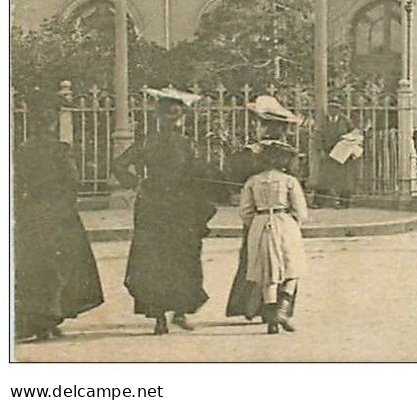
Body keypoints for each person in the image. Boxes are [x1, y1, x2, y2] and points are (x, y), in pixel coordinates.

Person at [111, 87, 215, 334]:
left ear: (158, 116)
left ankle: (159, 317)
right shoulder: (188, 144)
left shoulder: (147, 141)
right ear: (182, 117)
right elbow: (201, 175)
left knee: (153, 259)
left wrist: (135, 183)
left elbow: (119, 164)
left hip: (152, 204)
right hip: (181, 205)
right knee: (183, 257)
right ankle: (180, 311)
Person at [14, 89, 103, 342]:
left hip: (30, 211)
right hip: (60, 212)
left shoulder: (22, 150)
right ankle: (52, 318)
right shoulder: (61, 150)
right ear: (53, 121)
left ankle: (40, 320)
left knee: (33, 266)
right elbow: (73, 180)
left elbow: (16, 183)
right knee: (62, 265)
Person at [226, 94, 302, 323]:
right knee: (286, 260)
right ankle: (280, 307)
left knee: (254, 260)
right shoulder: (288, 153)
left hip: (256, 211)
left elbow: (235, 177)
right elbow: (296, 183)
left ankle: (254, 306)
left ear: (264, 126)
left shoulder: (250, 152)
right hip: (282, 215)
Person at [238, 139, 309, 335]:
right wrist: (294, 221)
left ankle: (271, 322)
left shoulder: (253, 180)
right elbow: (301, 212)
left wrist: (257, 223)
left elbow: (245, 211)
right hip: (284, 223)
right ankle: (283, 309)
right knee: (292, 269)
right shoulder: (289, 181)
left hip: (260, 224)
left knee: (266, 274)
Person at [313, 101, 362, 209]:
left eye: (336, 108)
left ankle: (344, 203)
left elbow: (354, 133)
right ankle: (318, 202)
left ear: (339, 110)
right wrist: (320, 150)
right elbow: (318, 136)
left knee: (344, 180)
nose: (333, 111)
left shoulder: (345, 121)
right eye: (331, 108)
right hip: (327, 153)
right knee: (324, 178)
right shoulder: (323, 121)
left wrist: (349, 143)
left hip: (342, 154)